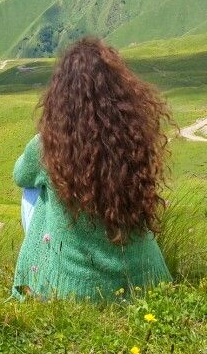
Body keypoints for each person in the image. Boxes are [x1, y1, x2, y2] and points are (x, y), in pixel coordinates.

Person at [12, 37, 173, 301]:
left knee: (33, 191)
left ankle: (45, 269)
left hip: (71, 291)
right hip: (145, 283)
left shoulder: (48, 145)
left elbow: (20, 175)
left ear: (61, 96)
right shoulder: (133, 138)